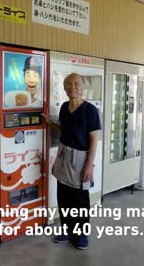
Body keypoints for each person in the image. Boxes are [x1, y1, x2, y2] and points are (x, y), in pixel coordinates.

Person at [43, 73, 101, 250]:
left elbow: (93, 139)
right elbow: (64, 129)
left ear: (82, 87)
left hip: (81, 159)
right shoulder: (64, 107)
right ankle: (66, 230)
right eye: (68, 84)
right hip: (63, 156)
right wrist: (50, 123)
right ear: (64, 88)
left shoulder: (90, 110)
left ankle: (81, 234)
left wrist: (89, 165)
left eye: (76, 84)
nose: (72, 87)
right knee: (64, 196)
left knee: (80, 200)